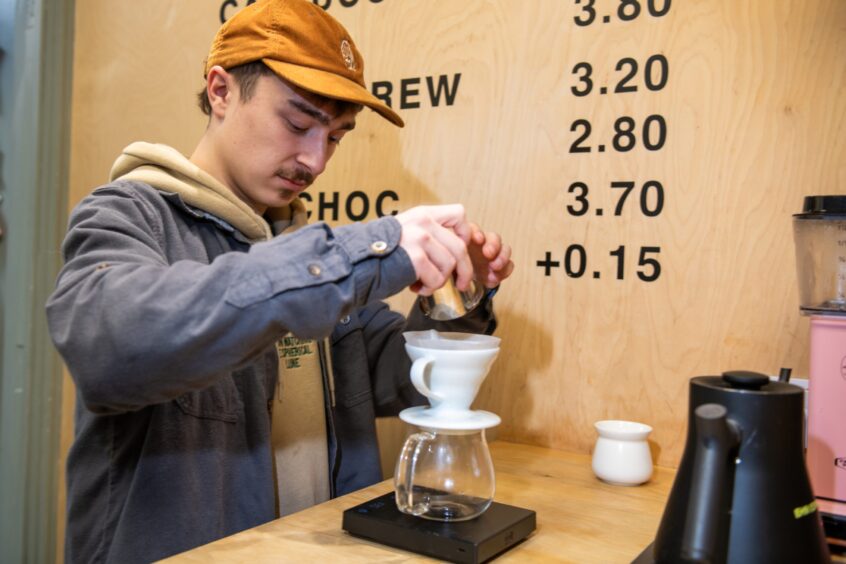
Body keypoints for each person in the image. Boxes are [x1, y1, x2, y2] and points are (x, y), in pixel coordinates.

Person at [46, 1, 514, 562]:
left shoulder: (308, 250)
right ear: (221, 91)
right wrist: (358, 254)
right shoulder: (129, 218)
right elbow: (110, 351)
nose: (315, 160)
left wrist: (459, 297)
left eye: (336, 136)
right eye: (297, 123)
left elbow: (403, 382)